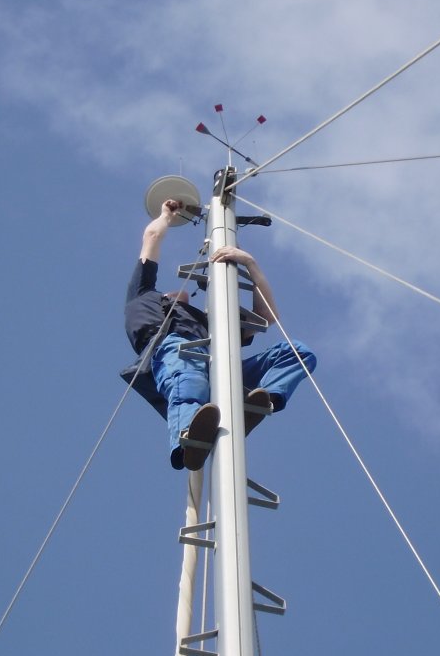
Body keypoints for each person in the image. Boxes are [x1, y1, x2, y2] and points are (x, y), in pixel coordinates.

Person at [123, 198, 316, 471]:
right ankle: (189, 439)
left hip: (218, 363)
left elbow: (266, 317)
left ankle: (261, 402)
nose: (183, 294)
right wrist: (166, 216)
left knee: (296, 352)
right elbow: (152, 236)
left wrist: (250, 264)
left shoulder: (213, 324)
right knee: (188, 379)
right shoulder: (143, 295)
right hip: (176, 350)